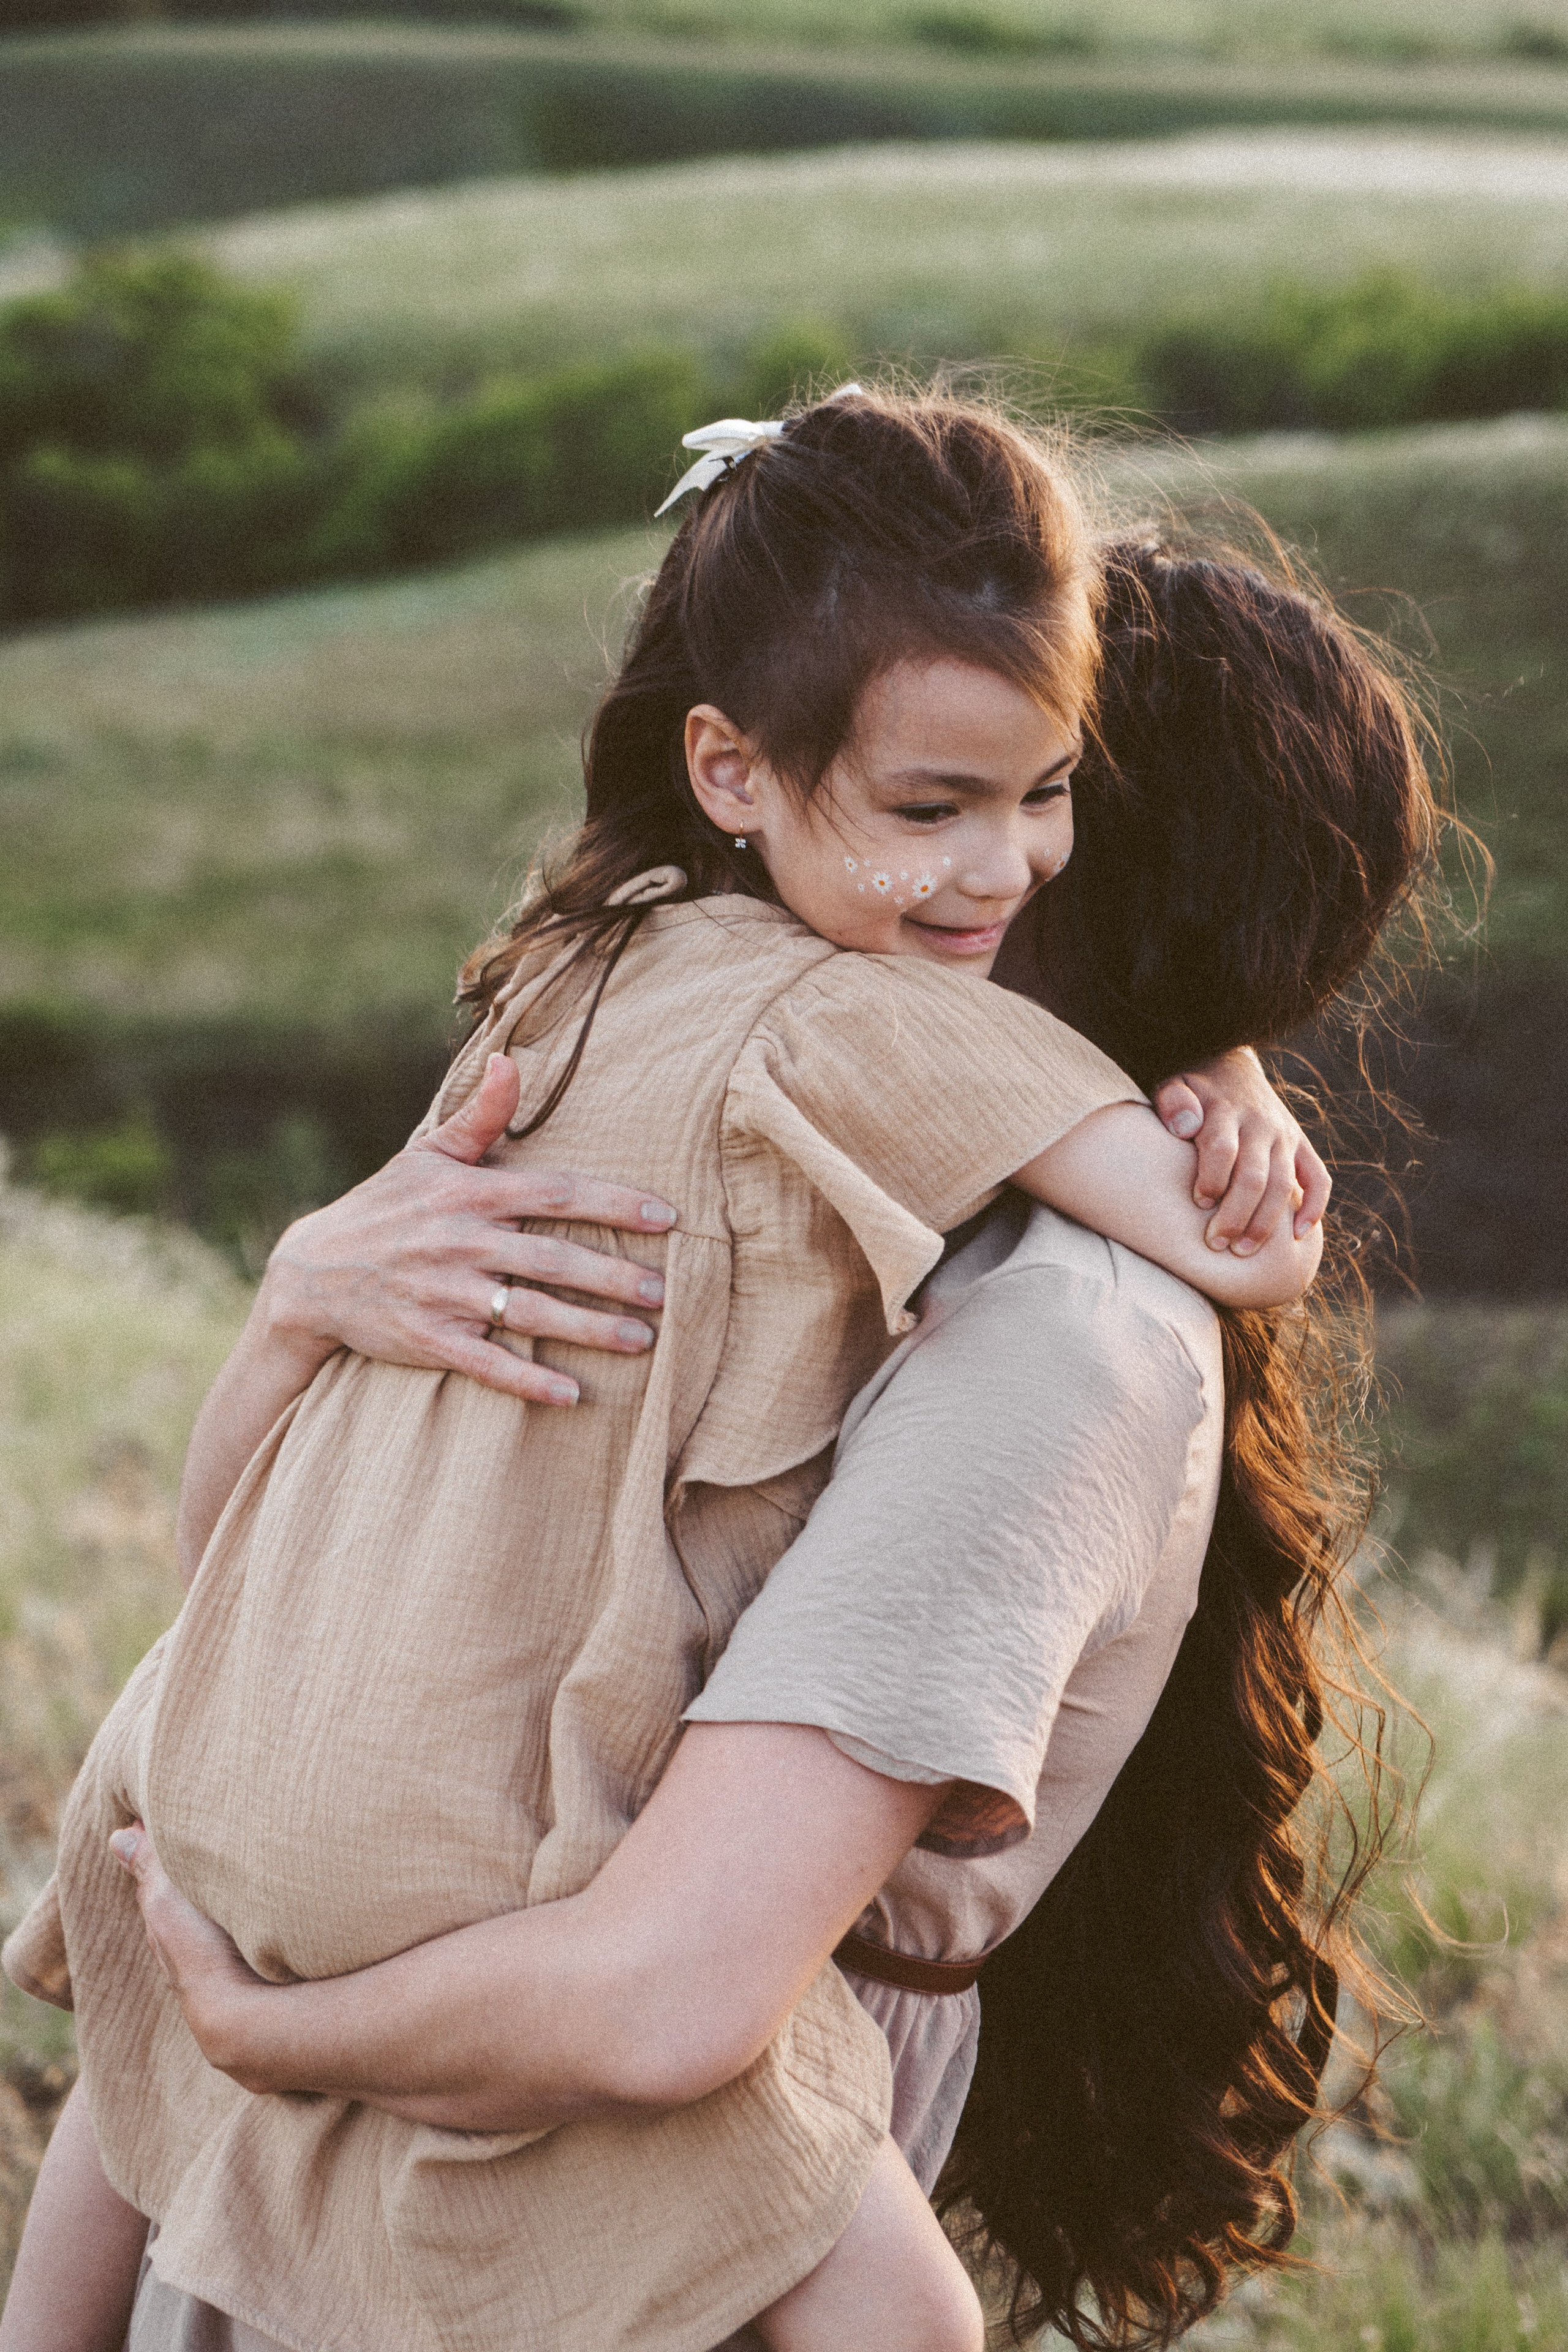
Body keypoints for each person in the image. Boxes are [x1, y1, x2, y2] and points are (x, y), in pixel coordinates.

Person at [0, 399, 1324, 2352]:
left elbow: (242, 1543)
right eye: (939, 808)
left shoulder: (571, 970)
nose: (1005, 864)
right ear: (734, 764)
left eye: (1049, 800)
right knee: (907, 2316)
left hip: (202, 1753)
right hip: (482, 1857)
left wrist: (289, 1306)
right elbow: (1247, 1242)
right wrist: (1232, 1066)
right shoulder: (873, 1028)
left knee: (148, 2140)